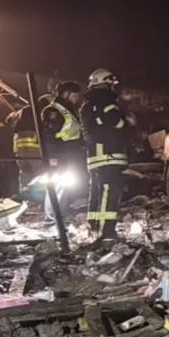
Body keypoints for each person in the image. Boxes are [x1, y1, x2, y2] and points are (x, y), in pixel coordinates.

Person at [80, 68, 130, 240]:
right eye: (111, 84)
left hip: (96, 155)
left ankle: (94, 228)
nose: (113, 87)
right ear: (106, 83)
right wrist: (126, 121)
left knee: (96, 192)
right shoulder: (106, 101)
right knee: (109, 192)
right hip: (108, 154)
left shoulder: (88, 105)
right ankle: (106, 232)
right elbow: (117, 123)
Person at [40, 80, 85, 223]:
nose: (76, 98)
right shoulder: (53, 111)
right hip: (60, 154)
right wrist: (52, 156)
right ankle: (52, 217)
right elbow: (48, 135)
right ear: (65, 94)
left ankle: (61, 213)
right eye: (74, 95)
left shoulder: (68, 110)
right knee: (57, 185)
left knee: (65, 185)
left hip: (69, 154)